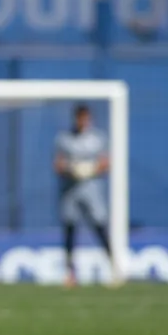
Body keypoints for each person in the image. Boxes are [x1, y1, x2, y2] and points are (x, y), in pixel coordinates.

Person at [53, 104, 112, 286]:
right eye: (80, 118)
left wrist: (90, 169)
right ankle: (70, 273)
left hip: (91, 189)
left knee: (99, 226)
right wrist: (72, 169)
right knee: (70, 228)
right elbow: (58, 164)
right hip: (70, 189)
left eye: (86, 118)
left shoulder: (98, 138)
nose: (83, 121)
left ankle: (113, 266)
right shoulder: (64, 139)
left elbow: (105, 163)